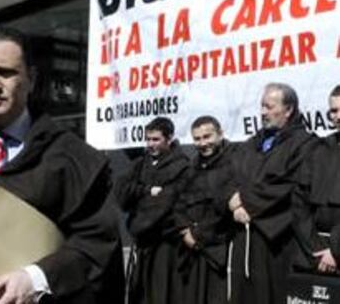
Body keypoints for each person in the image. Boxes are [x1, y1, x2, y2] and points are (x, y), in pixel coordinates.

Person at [0, 26, 124, 304]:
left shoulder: (77, 160)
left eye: (6, 72)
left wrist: (37, 278)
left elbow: (97, 244)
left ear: (31, 79)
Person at [226, 83, 315, 304]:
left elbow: (288, 184)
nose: (263, 112)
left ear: (289, 109)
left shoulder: (304, 144)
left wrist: (246, 201)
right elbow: (228, 177)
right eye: (262, 106)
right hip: (244, 236)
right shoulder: (250, 144)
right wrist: (233, 204)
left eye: (269, 106)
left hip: (275, 240)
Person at [114, 117, 189, 304]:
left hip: (165, 243)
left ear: (169, 138)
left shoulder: (181, 166)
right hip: (143, 243)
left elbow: (166, 202)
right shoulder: (140, 163)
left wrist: (140, 205)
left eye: (156, 139)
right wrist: (146, 190)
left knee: (163, 291)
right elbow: (121, 192)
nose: (150, 144)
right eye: (148, 139)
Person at [174, 116, 236, 304]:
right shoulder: (191, 167)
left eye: (207, 136)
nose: (202, 143)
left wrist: (198, 234)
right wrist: (185, 230)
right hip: (192, 250)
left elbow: (224, 207)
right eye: (197, 139)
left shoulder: (234, 162)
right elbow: (178, 202)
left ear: (220, 134)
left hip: (219, 250)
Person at [292, 85, 340, 275]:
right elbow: (299, 202)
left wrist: (335, 249)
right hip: (314, 256)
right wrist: (317, 248)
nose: (338, 116)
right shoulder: (319, 149)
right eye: (334, 111)